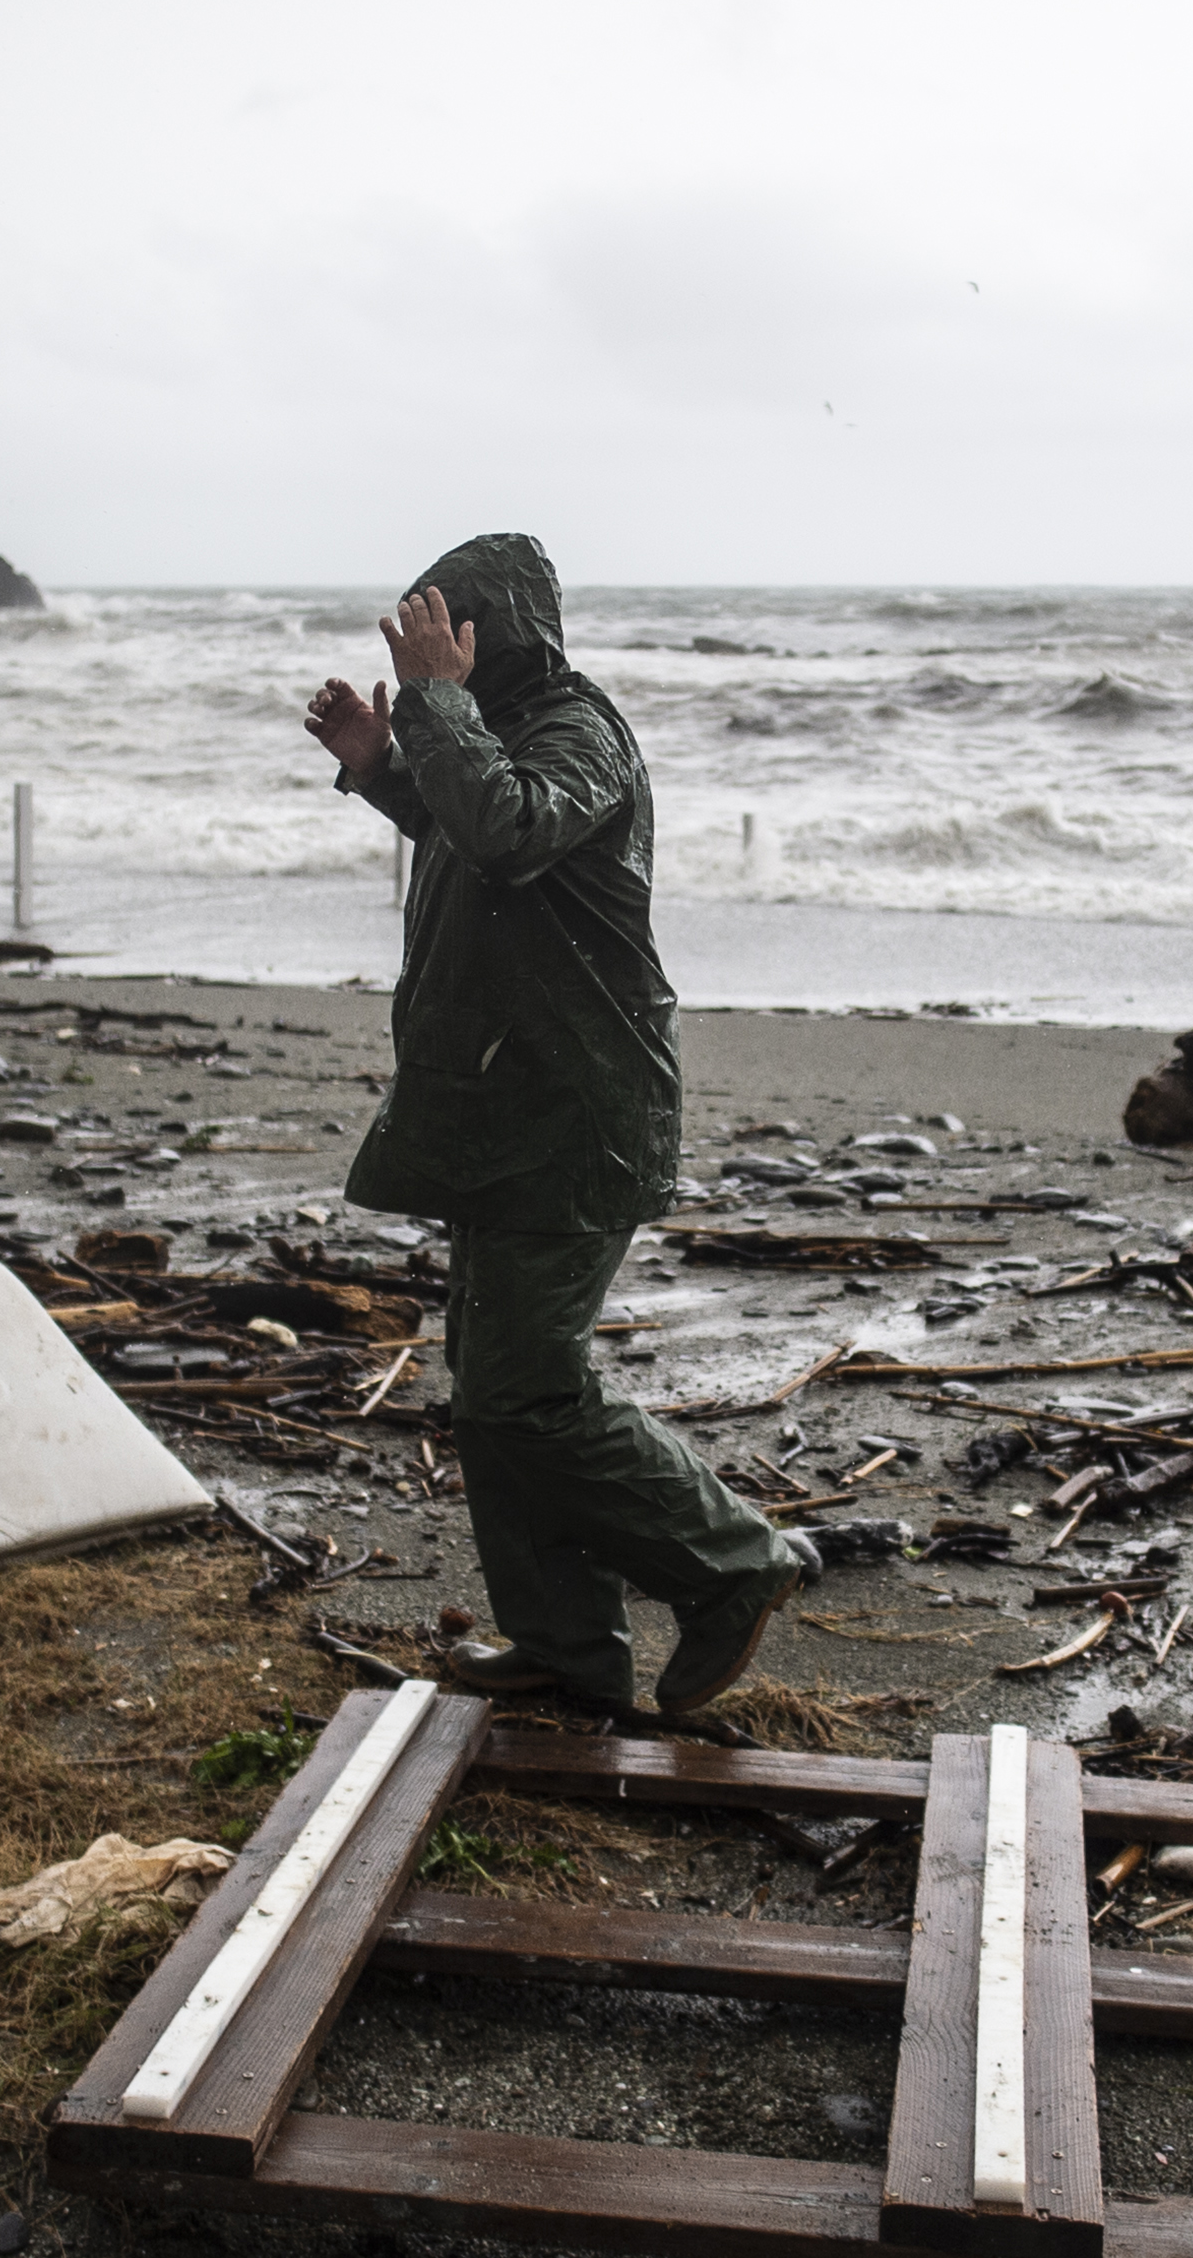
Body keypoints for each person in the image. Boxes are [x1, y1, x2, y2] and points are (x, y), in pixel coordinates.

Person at [304, 533, 815, 1715]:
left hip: (579, 1112)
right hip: (506, 1105)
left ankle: (735, 1564)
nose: (426, 657)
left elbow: (512, 829)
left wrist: (431, 704)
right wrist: (385, 760)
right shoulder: (499, 729)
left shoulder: (579, 731)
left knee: (529, 1390)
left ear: (494, 639)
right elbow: (470, 831)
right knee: (491, 1393)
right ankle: (567, 1649)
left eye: (442, 637)